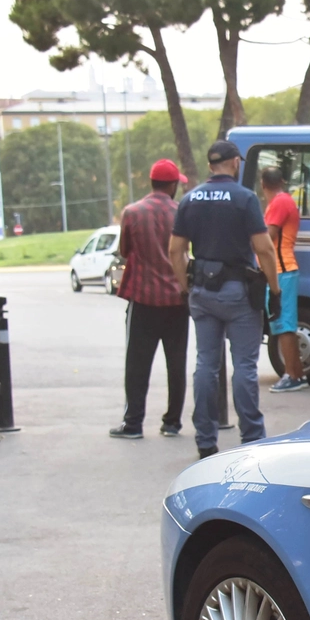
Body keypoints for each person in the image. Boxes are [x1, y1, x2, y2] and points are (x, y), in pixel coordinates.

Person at [168, 140, 280, 460]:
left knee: (205, 364)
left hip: (203, 289)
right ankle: (252, 436)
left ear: (209, 165)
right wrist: (275, 288)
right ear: (235, 163)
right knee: (244, 365)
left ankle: (206, 439)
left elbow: (176, 251)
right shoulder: (244, 198)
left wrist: (184, 287)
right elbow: (264, 249)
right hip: (238, 291)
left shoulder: (190, 199)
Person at [110, 158, 189, 440]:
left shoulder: (132, 212)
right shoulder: (181, 212)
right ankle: (172, 422)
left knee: (137, 364)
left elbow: (124, 250)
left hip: (143, 299)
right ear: (171, 186)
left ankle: (133, 423)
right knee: (176, 363)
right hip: (177, 300)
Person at [260, 166, 306, 393]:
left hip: (281, 270)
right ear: (283, 180)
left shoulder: (278, 203)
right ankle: (297, 373)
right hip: (284, 269)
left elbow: (268, 236)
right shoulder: (284, 200)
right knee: (284, 323)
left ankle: (291, 375)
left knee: (282, 324)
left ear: (262, 184)